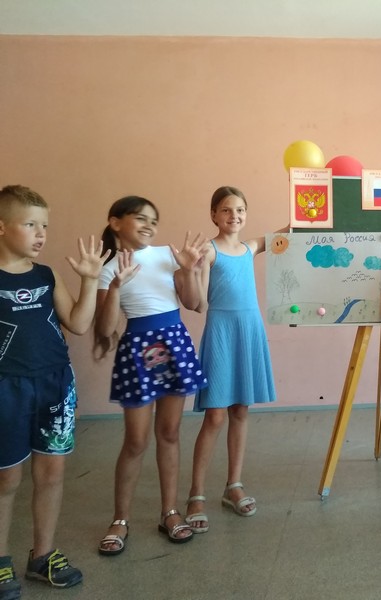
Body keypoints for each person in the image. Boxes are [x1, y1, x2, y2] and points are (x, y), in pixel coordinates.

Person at [0, 185, 106, 597]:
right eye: (30, 224)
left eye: (44, 225)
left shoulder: (46, 275)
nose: (41, 234)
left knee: (52, 473)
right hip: (7, 389)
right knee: (6, 479)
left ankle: (42, 557)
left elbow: (78, 323)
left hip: (55, 386)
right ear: (2, 227)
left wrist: (91, 280)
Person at [94, 196, 207, 556]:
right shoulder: (107, 267)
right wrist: (115, 286)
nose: (149, 226)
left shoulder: (166, 255)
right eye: (140, 218)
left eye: (154, 221)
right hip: (137, 350)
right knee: (136, 441)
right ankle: (120, 519)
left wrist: (189, 270)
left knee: (169, 433)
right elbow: (105, 328)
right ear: (116, 222)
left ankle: (169, 512)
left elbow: (194, 303)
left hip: (174, 343)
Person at [185, 187, 278, 533]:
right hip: (222, 332)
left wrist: (309, 216)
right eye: (226, 210)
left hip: (249, 330)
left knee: (241, 410)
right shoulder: (209, 251)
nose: (234, 216)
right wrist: (193, 270)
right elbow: (200, 303)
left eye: (239, 210)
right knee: (215, 416)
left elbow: (281, 235)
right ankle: (196, 494)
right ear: (213, 215)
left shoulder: (249, 248)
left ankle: (233, 485)